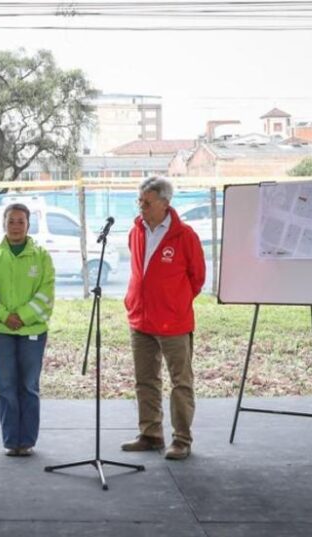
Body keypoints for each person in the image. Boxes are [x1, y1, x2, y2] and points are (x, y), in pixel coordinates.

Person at [121, 176, 205, 461]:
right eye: (139, 201)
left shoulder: (185, 236)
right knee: (145, 379)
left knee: (180, 381)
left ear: (165, 203)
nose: (141, 207)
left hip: (173, 321)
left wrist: (174, 302)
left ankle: (181, 439)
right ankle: (150, 433)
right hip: (141, 319)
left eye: (147, 202)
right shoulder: (136, 231)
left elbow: (197, 278)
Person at [0, 203, 54, 457]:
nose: (16, 226)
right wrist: (4, 317)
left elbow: (46, 293)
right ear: (3, 224)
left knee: (29, 386)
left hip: (32, 332)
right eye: (11, 221)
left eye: (21, 221)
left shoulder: (41, 257)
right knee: (6, 386)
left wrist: (22, 316)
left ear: (29, 225)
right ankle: (11, 441)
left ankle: (27, 441)